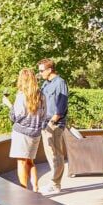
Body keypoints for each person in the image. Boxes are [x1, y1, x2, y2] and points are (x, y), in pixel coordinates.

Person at [3, 69, 45, 193]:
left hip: (22, 134)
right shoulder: (41, 96)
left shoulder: (21, 96)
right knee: (30, 161)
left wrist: (8, 105)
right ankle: (36, 189)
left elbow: (16, 116)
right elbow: (44, 115)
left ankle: (24, 191)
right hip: (36, 133)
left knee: (21, 162)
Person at [38, 58, 69, 194]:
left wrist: (53, 121)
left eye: (41, 70)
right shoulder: (45, 84)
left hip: (54, 124)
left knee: (56, 154)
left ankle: (55, 184)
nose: (39, 73)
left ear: (50, 70)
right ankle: (54, 182)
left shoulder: (60, 83)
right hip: (45, 123)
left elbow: (62, 103)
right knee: (50, 154)